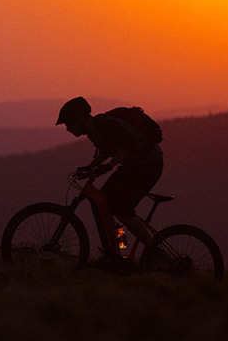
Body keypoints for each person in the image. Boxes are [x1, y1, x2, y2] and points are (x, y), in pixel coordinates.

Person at [56, 96, 166, 265]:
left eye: (69, 123)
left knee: (122, 208)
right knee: (104, 201)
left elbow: (127, 147)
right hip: (134, 165)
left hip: (149, 165)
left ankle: (154, 250)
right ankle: (116, 249)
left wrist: (109, 166)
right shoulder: (94, 130)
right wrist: (90, 167)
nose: (68, 129)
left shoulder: (104, 125)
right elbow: (107, 150)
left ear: (81, 118)